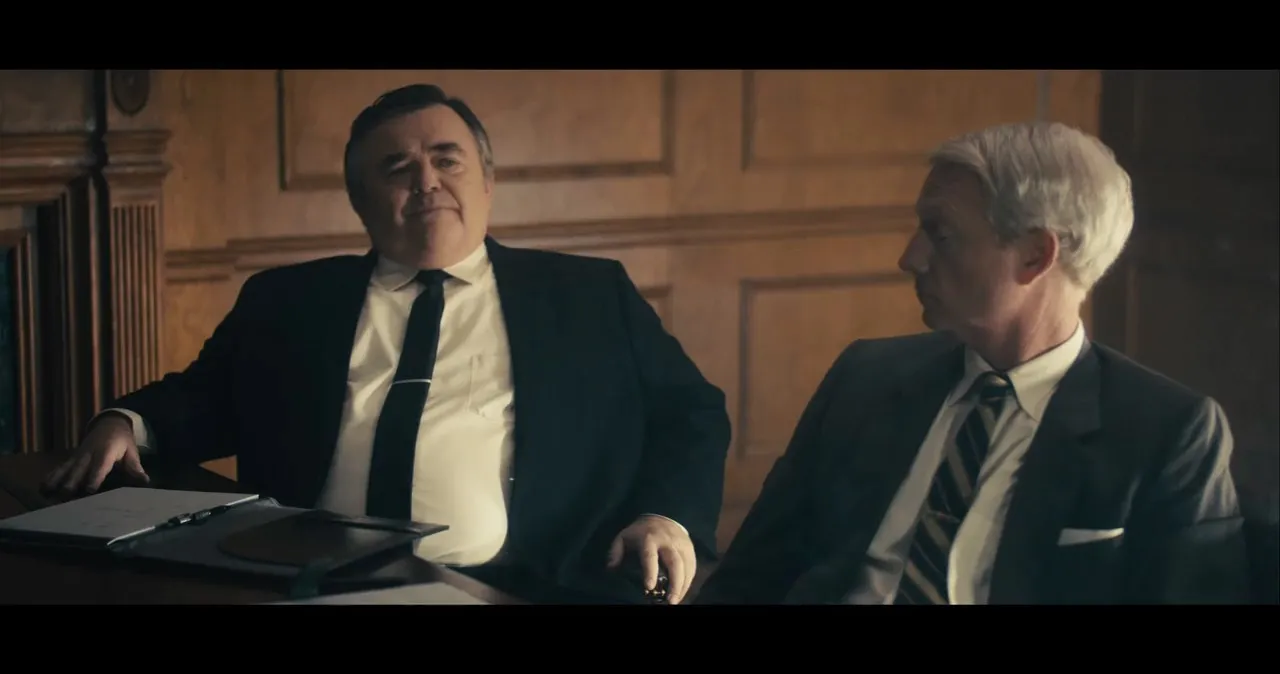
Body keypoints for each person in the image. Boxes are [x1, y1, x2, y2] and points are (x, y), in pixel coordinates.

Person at [43, 84, 731, 605]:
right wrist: (127, 421)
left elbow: (691, 412)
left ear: (487, 180)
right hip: (317, 582)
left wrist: (666, 515)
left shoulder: (587, 295)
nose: (426, 181)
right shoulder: (288, 301)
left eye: (446, 159)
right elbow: (206, 397)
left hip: (530, 583)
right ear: (361, 202)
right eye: (396, 167)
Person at [695, 121, 1250, 605]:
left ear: (1035, 255)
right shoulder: (867, 378)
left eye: (941, 234)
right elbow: (749, 578)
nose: (910, 257)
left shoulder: (1166, 432)